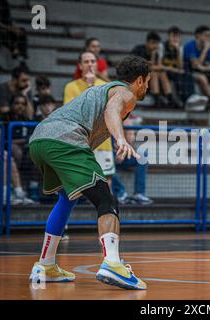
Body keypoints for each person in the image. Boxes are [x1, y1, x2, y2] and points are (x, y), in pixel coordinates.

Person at [28, 55, 150, 290]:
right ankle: (112, 264)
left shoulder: (102, 88)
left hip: (39, 141)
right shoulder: (125, 93)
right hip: (64, 140)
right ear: (139, 81)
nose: (147, 87)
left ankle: (45, 265)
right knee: (106, 199)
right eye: (148, 82)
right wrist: (121, 139)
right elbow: (112, 111)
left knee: (66, 198)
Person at [64, 51, 115, 186]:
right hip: (80, 143)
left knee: (105, 181)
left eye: (93, 61)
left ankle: (109, 208)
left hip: (102, 142)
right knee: (79, 184)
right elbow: (72, 114)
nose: (90, 64)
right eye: (86, 62)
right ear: (80, 66)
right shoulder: (71, 87)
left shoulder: (106, 86)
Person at [0, 90, 32, 204]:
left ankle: (15, 193)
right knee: (6, 156)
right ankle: (5, 193)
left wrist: (0, 150)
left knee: (8, 160)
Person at [132, 31, 181, 108]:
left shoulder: (156, 52)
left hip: (149, 78)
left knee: (162, 72)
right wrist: (170, 69)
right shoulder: (139, 50)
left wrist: (154, 55)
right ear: (147, 43)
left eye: (156, 43)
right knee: (154, 72)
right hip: (136, 77)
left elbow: (158, 66)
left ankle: (169, 97)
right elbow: (148, 67)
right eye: (153, 43)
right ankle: (157, 98)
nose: (155, 46)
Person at [112, 115, 152, 205]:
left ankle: (139, 193)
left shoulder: (124, 120)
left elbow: (130, 143)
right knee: (104, 163)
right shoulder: (103, 121)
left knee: (143, 157)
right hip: (107, 156)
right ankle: (121, 193)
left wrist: (128, 126)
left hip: (123, 156)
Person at [158, 26, 194, 108]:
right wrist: (173, 69)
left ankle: (187, 100)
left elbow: (180, 66)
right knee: (163, 73)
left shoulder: (180, 48)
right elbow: (159, 65)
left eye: (177, 36)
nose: (175, 39)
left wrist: (177, 50)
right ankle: (171, 99)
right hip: (165, 70)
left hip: (174, 71)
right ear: (168, 36)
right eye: (173, 36)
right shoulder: (162, 46)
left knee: (186, 74)